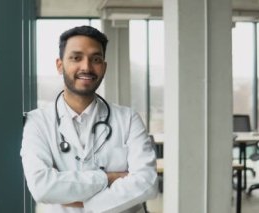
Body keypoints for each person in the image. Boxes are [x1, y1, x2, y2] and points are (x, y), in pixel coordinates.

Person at [20, 25, 158, 213]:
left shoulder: (128, 119)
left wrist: (86, 204)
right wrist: (107, 178)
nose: (86, 67)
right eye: (76, 58)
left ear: (104, 67)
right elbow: (42, 187)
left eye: (96, 59)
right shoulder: (37, 122)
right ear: (60, 65)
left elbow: (147, 183)